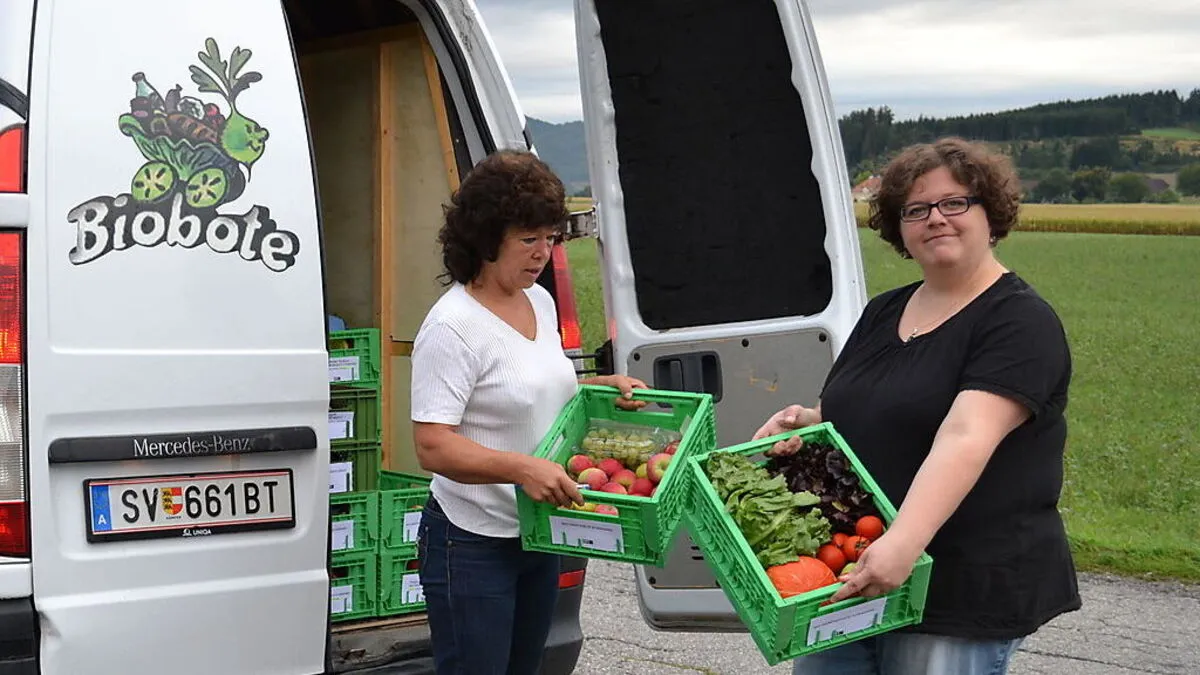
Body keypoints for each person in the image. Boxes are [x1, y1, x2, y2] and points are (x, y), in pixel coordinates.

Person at [754, 137, 1081, 674]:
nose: (937, 218)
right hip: (857, 570)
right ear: (899, 227)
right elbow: (857, 410)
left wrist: (904, 542)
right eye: (916, 209)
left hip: (959, 588)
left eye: (955, 203)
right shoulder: (885, 311)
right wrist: (805, 424)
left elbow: (966, 435)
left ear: (990, 214)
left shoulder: (1018, 321)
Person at [409, 149, 646, 675]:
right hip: (471, 542)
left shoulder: (537, 300)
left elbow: (533, 385)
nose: (543, 252)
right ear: (487, 236)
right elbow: (431, 444)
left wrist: (598, 387)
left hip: (538, 531)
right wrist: (522, 468)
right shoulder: (452, 328)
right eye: (528, 238)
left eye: (550, 237)